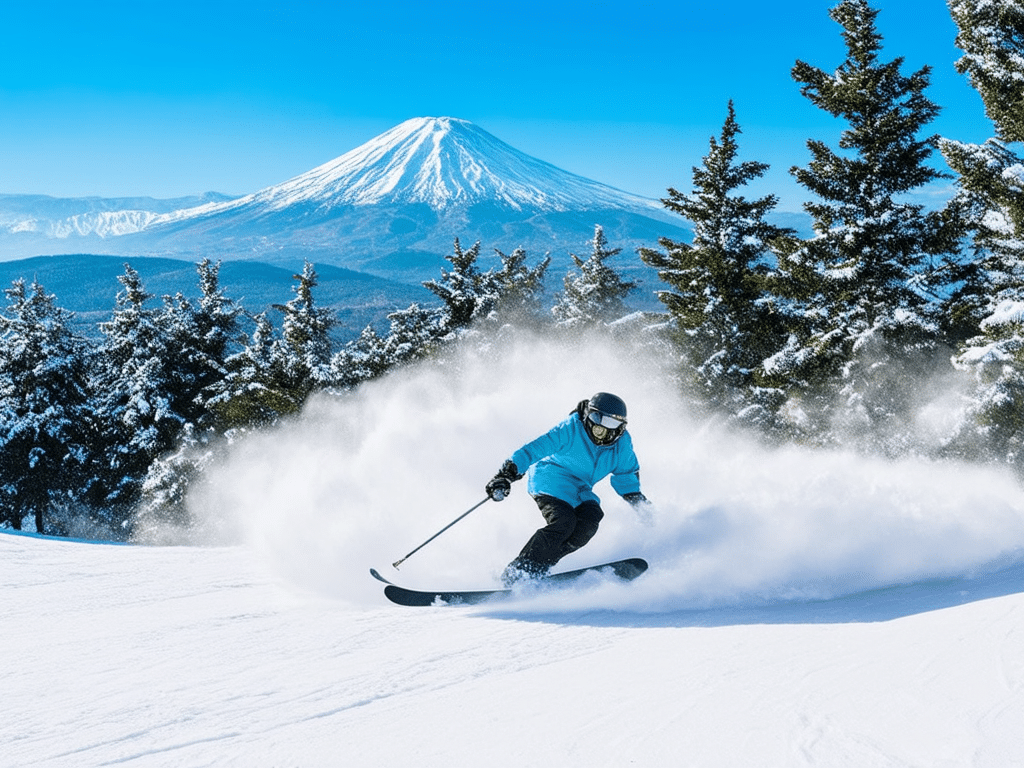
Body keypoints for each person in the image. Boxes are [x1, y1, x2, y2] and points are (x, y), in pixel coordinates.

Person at [485, 392, 652, 586]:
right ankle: (520, 571)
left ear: (621, 426)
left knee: (589, 522)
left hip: (580, 488)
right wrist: (506, 474)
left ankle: (539, 567)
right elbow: (533, 450)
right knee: (564, 523)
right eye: (597, 421)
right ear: (589, 416)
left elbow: (626, 473)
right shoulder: (571, 429)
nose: (603, 431)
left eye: (612, 424)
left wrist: (637, 500)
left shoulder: (621, 446)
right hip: (550, 479)